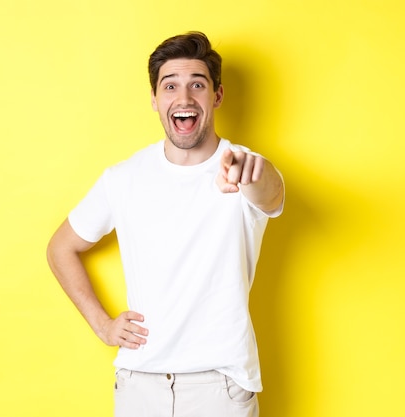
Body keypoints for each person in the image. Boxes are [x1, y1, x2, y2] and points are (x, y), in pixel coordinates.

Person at [46, 31, 284, 417]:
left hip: (220, 388)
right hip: (139, 386)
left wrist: (249, 174)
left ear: (217, 96)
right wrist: (103, 325)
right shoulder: (122, 178)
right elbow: (60, 248)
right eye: (170, 86)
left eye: (197, 85)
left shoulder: (243, 167)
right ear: (155, 100)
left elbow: (271, 195)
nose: (184, 98)